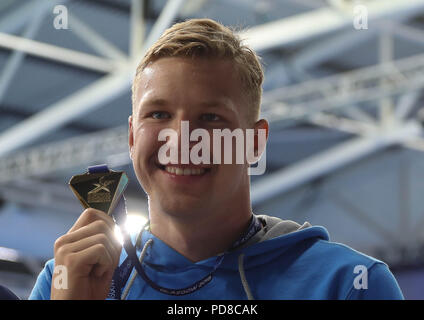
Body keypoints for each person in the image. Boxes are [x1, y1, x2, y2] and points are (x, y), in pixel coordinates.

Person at [29, 18, 403, 300]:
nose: (181, 139)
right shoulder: (66, 278)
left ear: (255, 141)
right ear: (131, 136)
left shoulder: (347, 283)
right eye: (158, 114)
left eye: (210, 118)